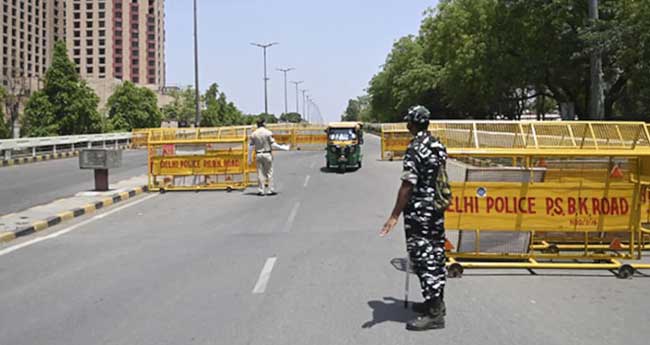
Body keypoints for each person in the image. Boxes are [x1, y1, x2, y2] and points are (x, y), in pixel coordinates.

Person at [379, 105, 448, 331]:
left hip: (420, 211)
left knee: (423, 257)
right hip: (436, 208)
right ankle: (434, 303)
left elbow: (408, 184)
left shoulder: (416, 148)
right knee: (436, 253)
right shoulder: (437, 144)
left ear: (413, 123)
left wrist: (394, 215)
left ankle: (435, 314)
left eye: (408, 121)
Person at [249, 119, 277, 196]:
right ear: (263, 123)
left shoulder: (253, 134)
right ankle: (270, 190)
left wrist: (249, 157)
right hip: (267, 154)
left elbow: (251, 147)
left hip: (258, 154)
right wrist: (284, 147)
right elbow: (273, 144)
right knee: (269, 173)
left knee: (260, 173)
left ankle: (261, 190)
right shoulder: (268, 133)